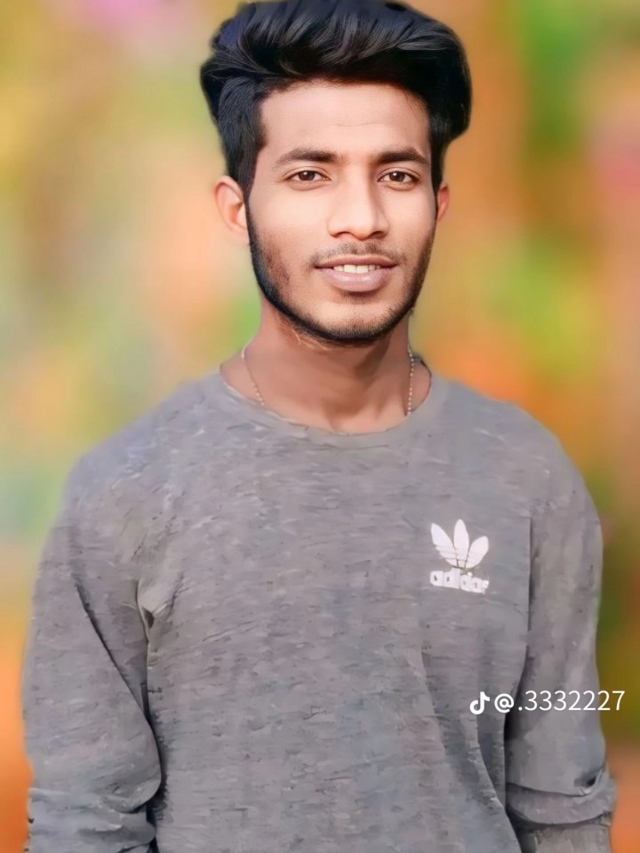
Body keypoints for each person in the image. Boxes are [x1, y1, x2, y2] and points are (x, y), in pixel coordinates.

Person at [20, 1, 617, 851]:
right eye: (310, 175)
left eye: (397, 175)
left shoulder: (528, 478)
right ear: (238, 208)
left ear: (439, 203)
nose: (360, 218)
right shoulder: (124, 493)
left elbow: (563, 806)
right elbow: (85, 823)